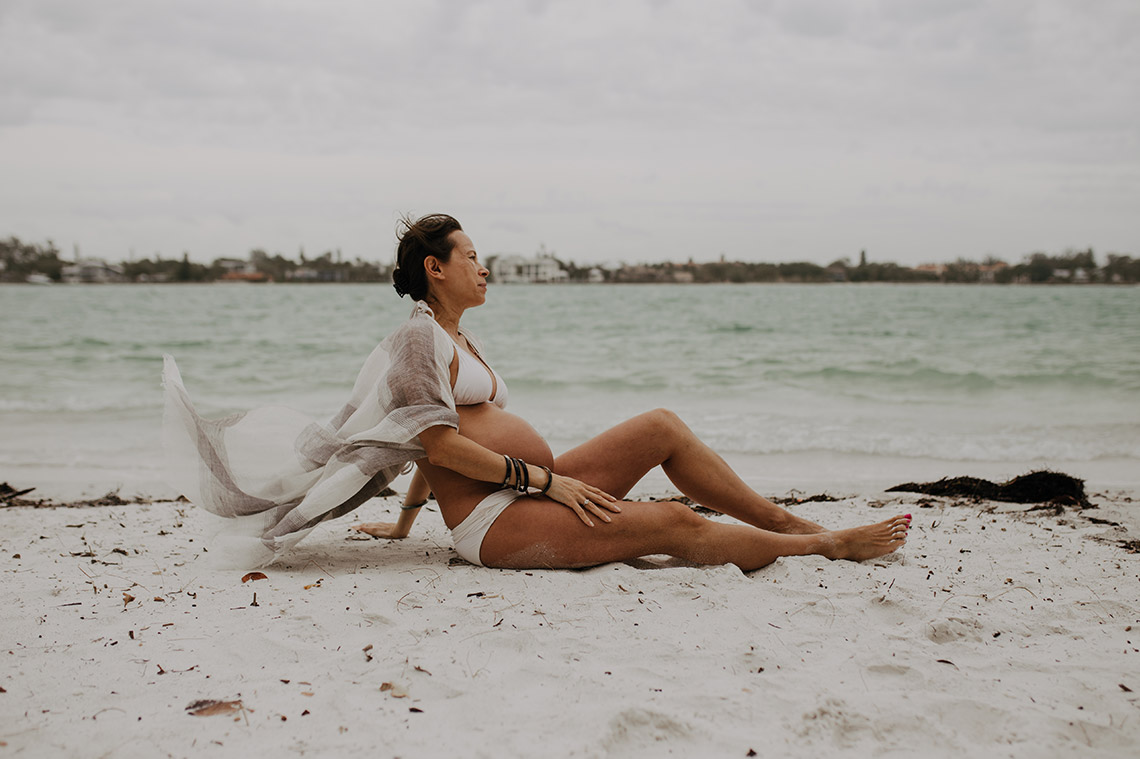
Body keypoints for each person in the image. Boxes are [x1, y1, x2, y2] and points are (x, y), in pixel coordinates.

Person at [347, 213, 911, 570]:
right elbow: (439, 447)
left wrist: (403, 523)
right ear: (435, 268)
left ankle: (782, 521)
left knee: (661, 426)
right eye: (471, 257)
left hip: (528, 492)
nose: (483, 268)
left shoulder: (457, 339)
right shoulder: (418, 340)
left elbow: (430, 435)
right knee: (672, 522)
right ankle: (825, 545)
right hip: (492, 522)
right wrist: (547, 481)